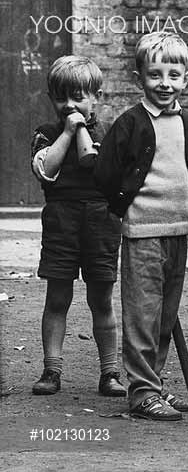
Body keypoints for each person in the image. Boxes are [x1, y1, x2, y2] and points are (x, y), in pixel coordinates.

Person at [94, 32, 188, 421]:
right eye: (155, 74)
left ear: (186, 79)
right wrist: (125, 206)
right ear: (138, 77)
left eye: (174, 75)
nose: (165, 83)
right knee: (142, 315)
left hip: (177, 232)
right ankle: (141, 392)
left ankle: (153, 384)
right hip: (142, 232)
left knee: (165, 315)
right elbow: (105, 171)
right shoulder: (131, 123)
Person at [30, 55, 125, 398]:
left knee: (101, 299)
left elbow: (123, 180)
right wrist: (69, 132)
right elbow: (45, 170)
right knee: (57, 297)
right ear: (51, 98)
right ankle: (51, 370)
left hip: (101, 221)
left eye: (79, 97)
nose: (69, 104)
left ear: (96, 96)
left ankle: (110, 372)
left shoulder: (111, 132)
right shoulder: (46, 133)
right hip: (61, 221)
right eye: (61, 97)